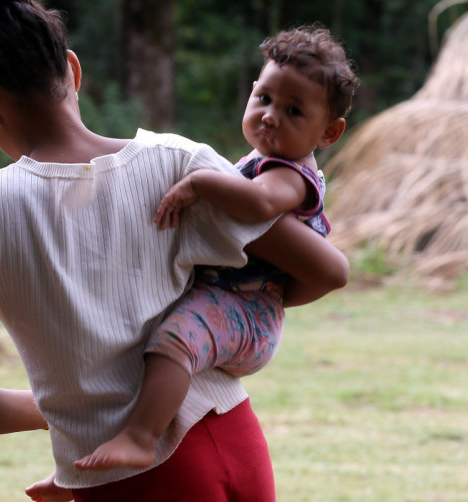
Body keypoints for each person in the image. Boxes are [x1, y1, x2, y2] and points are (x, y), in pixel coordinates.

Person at [0, 0, 350, 502]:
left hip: (130, 478)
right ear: (73, 70)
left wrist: (68, 408)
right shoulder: (177, 161)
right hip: (234, 436)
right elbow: (325, 269)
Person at [72, 26, 357, 474]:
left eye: (294, 110)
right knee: (136, 344)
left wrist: (201, 182)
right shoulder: (260, 160)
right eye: (264, 98)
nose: (270, 116)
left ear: (329, 132)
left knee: (174, 339)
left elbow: (260, 204)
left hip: (246, 309)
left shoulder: (289, 176)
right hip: (232, 297)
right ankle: (82, 456)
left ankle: (140, 439)